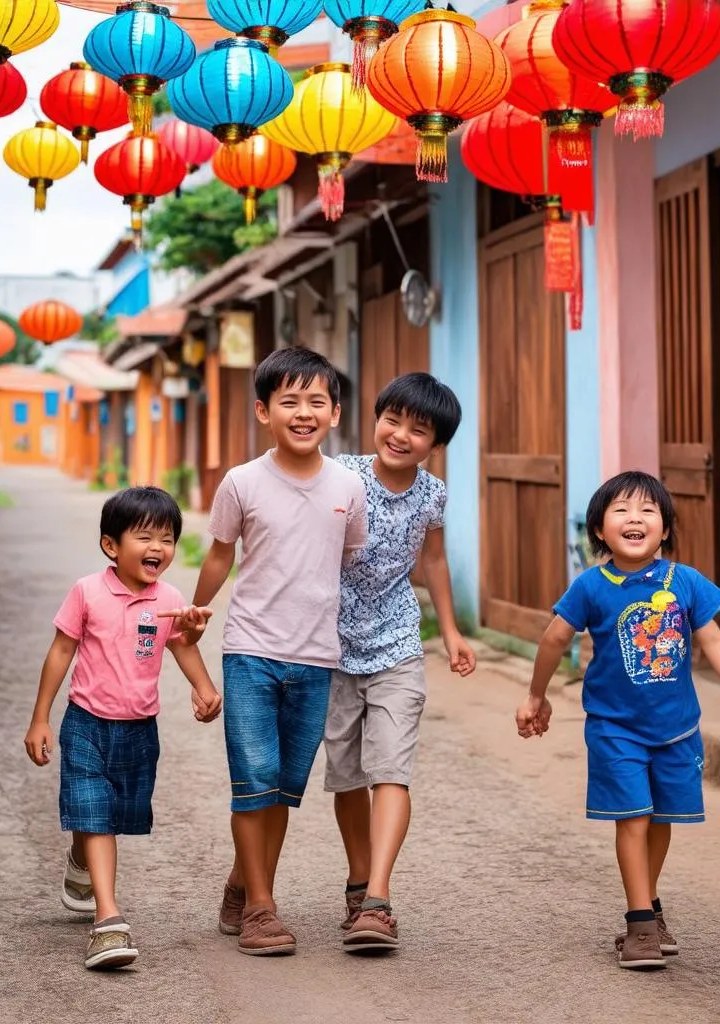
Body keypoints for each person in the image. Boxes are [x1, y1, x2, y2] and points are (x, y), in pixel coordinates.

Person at [515, 471, 720, 970]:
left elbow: (712, 637)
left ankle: (650, 902)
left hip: (677, 729)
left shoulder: (684, 581)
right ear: (600, 531)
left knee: (661, 819)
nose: (635, 518)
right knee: (634, 817)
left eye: (648, 511)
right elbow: (554, 639)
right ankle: (640, 925)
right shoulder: (591, 586)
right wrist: (535, 696)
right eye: (621, 510)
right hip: (614, 727)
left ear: (665, 529)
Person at [191, 346, 368, 957]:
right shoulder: (241, 482)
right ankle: (263, 911)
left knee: (285, 788)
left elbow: (343, 557)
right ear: (264, 410)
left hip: (318, 657)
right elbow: (220, 556)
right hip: (251, 651)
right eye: (288, 401)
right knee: (255, 779)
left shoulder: (349, 485)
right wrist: (195, 614)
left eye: (315, 401)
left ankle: (242, 883)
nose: (303, 412)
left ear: (335, 412)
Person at [24, 486, 222, 971]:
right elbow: (61, 652)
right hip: (86, 722)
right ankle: (108, 923)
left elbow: (182, 646)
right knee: (94, 811)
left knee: (112, 815)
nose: (158, 548)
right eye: (145, 537)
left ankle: (79, 862)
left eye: (168, 538)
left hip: (139, 729)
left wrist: (204, 688)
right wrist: (40, 717)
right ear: (111, 546)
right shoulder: (87, 592)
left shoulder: (170, 597)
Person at [326, 372, 475, 952]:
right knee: (345, 775)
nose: (402, 434)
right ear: (376, 417)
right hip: (329, 646)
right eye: (393, 419)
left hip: (398, 645)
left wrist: (452, 631)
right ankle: (357, 883)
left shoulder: (433, 494)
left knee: (390, 767)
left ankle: (378, 901)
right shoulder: (340, 476)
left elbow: (433, 562)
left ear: (435, 444)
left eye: (420, 429)